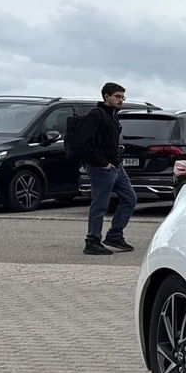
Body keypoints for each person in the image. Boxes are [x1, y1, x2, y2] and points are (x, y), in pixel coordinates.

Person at [81, 82, 137, 255]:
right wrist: (102, 162)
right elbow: (84, 142)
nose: (121, 100)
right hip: (101, 168)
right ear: (106, 97)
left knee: (130, 198)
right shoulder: (96, 115)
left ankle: (114, 235)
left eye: (122, 97)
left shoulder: (113, 116)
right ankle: (92, 241)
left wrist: (114, 161)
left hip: (116, 167)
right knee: (100, 205)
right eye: (117, 97)